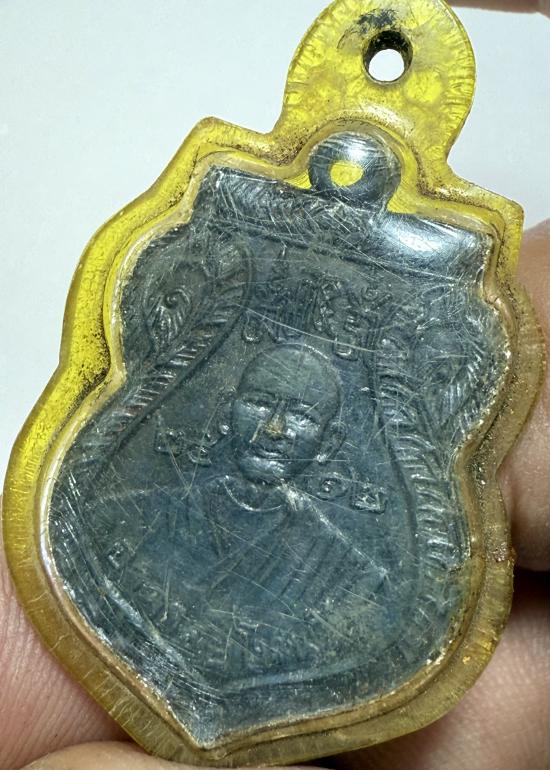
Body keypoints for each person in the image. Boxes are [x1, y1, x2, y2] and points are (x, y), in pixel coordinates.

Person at [1, 3, 549, 769]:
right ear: (229, 408)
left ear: (329, 437)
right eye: (259, 403)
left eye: (300, 416)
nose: (274, 430)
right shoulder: (146, 517)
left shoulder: (347, 567)